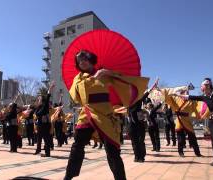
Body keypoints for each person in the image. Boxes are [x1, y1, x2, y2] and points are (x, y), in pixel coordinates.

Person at [64, 50, 149, 180]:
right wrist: (89, 80)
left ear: (90, 59)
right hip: (86, 115)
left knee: (112, 151)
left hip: (105, 115)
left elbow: (122, 79)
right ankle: (68, 176)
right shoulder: (78, 78)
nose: (82, 62)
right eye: (79, 60)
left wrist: (107, 72)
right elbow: (76, 98)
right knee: (77, 145)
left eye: (84, 58)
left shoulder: (104, 73)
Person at [159, 85, 202, 158]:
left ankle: (197, 153)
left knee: (193, 137)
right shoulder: (175, 99)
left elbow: (197, 108)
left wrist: (200, 116)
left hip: (187, 121)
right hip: (179, 121)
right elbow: (167, 97)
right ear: (181, 93)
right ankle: (180, 152)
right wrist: (162, 91)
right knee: (180, 138)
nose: (187, 93)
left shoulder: (191, 101)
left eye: (187, 92)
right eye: (185, 92)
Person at [34, 83, 54, 157]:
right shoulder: (38, 108)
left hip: (45, 125)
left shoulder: (44, 106)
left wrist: (50, 89)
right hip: (40, 125)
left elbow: (48, 96)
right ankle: (38, 150)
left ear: (42, 100)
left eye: (39, 99)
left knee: (46, 139)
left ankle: (47, 153)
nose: (38, 100)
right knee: (39, 139)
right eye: (38, 99)